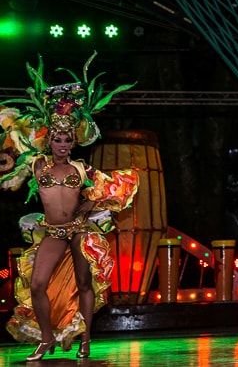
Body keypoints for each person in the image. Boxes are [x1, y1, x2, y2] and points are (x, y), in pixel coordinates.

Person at [1, 53, 138, 361]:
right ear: (49, 141)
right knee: (36, 284)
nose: (62, 144)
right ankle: (47, 339)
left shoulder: (80, 169)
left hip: (77, 231)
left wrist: (86, 207)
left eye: (66, 140)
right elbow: (12, 157)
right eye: (57, 140)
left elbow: (104, 191)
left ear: (72, 143)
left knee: (84, 282)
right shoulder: (37, 166)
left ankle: (86, 339)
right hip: (52, 231)